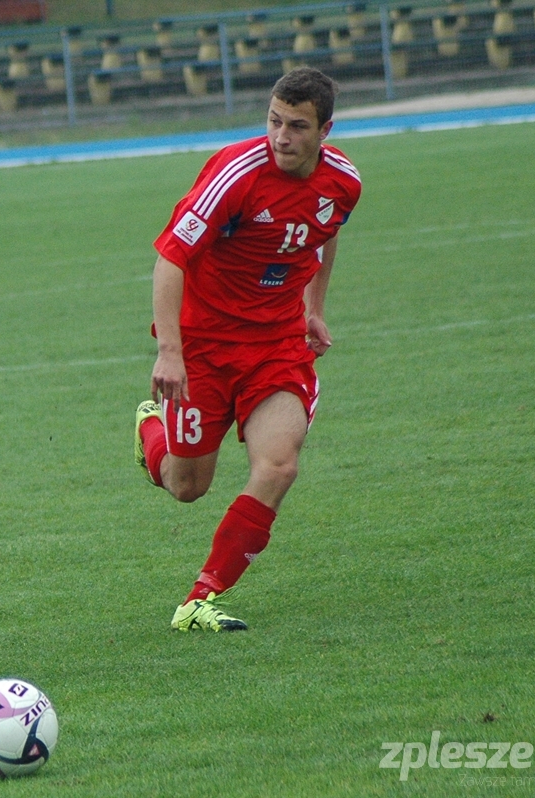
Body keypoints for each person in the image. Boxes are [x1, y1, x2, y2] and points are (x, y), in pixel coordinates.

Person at [134, 67, 362, 632]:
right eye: (274, 121)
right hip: (204, 348)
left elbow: (325, 232)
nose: (281, 136)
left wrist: (313, 308)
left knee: (279, 465)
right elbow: (171, 258)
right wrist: (170, 352)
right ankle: (151, 430)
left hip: (277, 346)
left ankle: (200, 599)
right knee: (187, 486)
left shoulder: (344, 182)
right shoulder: (236, 174)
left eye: (297, 126)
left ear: (325, 131)